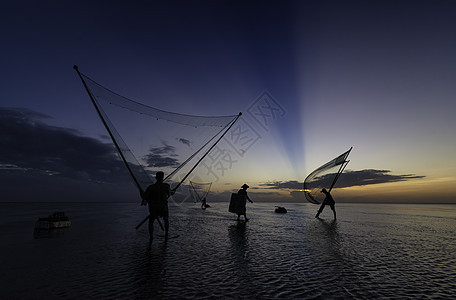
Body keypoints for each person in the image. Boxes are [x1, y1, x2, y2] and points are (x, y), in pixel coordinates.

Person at [141, 171, 172, 240]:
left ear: (156, 177)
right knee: (166, 220)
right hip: (163, 208)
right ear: (163, 177)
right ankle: (166, 234)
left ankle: (151, 237)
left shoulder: (151, 187)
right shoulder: (166, 186)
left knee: (151, 222)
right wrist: (172, 192)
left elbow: (145, 196)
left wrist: (141, 193)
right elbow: (169, 194)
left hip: (154, 208)